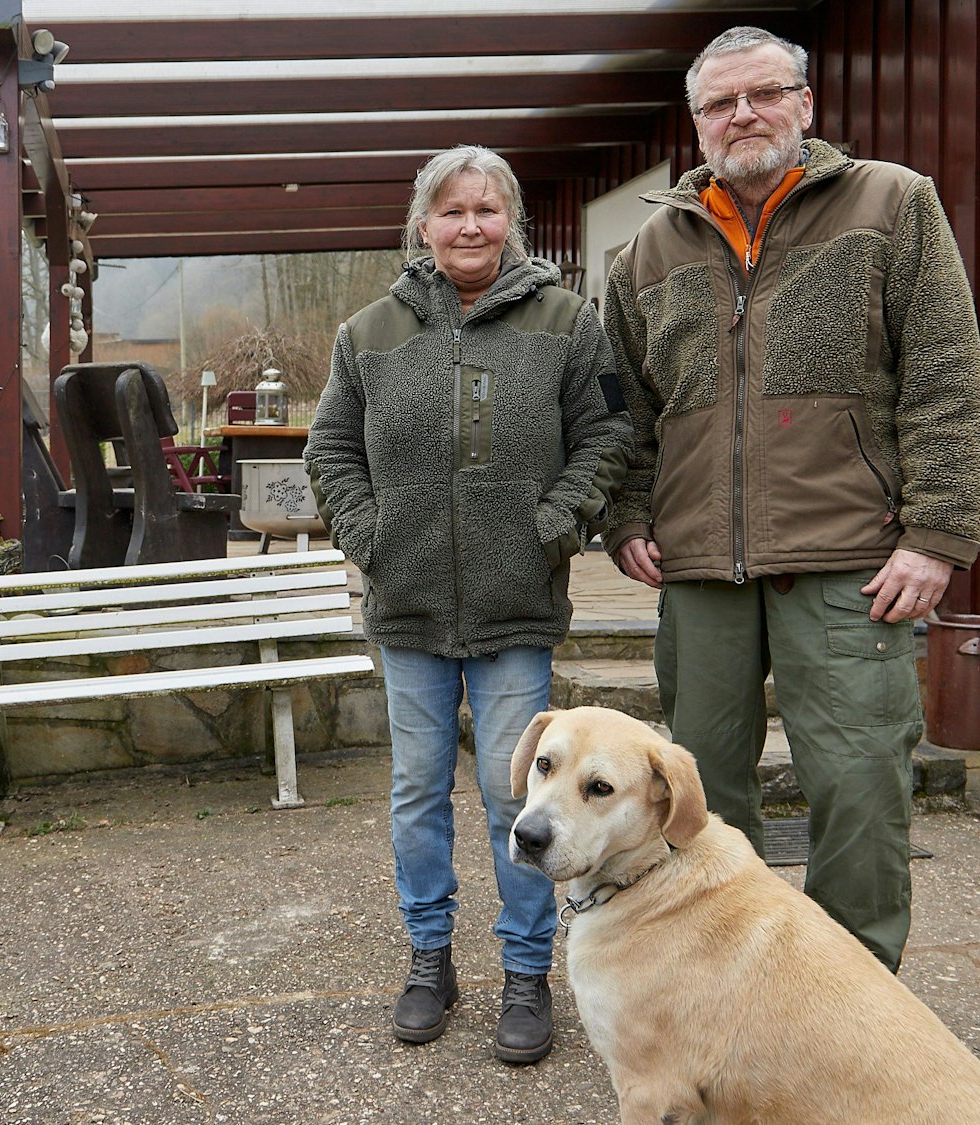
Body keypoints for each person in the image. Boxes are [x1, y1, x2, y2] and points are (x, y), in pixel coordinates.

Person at [601, 26, 980, 972]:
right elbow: (622, 404)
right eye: (720, 104)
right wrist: (623, 514)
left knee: (859, 785)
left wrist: (936, 534)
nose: (744, 115)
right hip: (698, 570)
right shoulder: (649, 250)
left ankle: (851, 999)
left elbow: (947, 375)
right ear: (696, 125)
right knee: (696, 802)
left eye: (764, 94)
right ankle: (711, 984)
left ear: (805, 105)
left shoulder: (893, 206)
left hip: (852, 561)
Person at [305, 145, 631, 1063]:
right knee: (416, 794)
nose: (470, 225)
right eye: (452, 211)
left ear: (512, 221)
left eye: (488, 209)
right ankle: (429, 958)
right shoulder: (366, 332)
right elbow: (329, 449)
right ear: (423, 224)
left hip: (515, 609)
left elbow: (609, 429)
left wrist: (556, 521)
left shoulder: (570, 321)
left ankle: (528, 972)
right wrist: (372, 539)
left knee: (512, 798)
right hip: (407, 611)